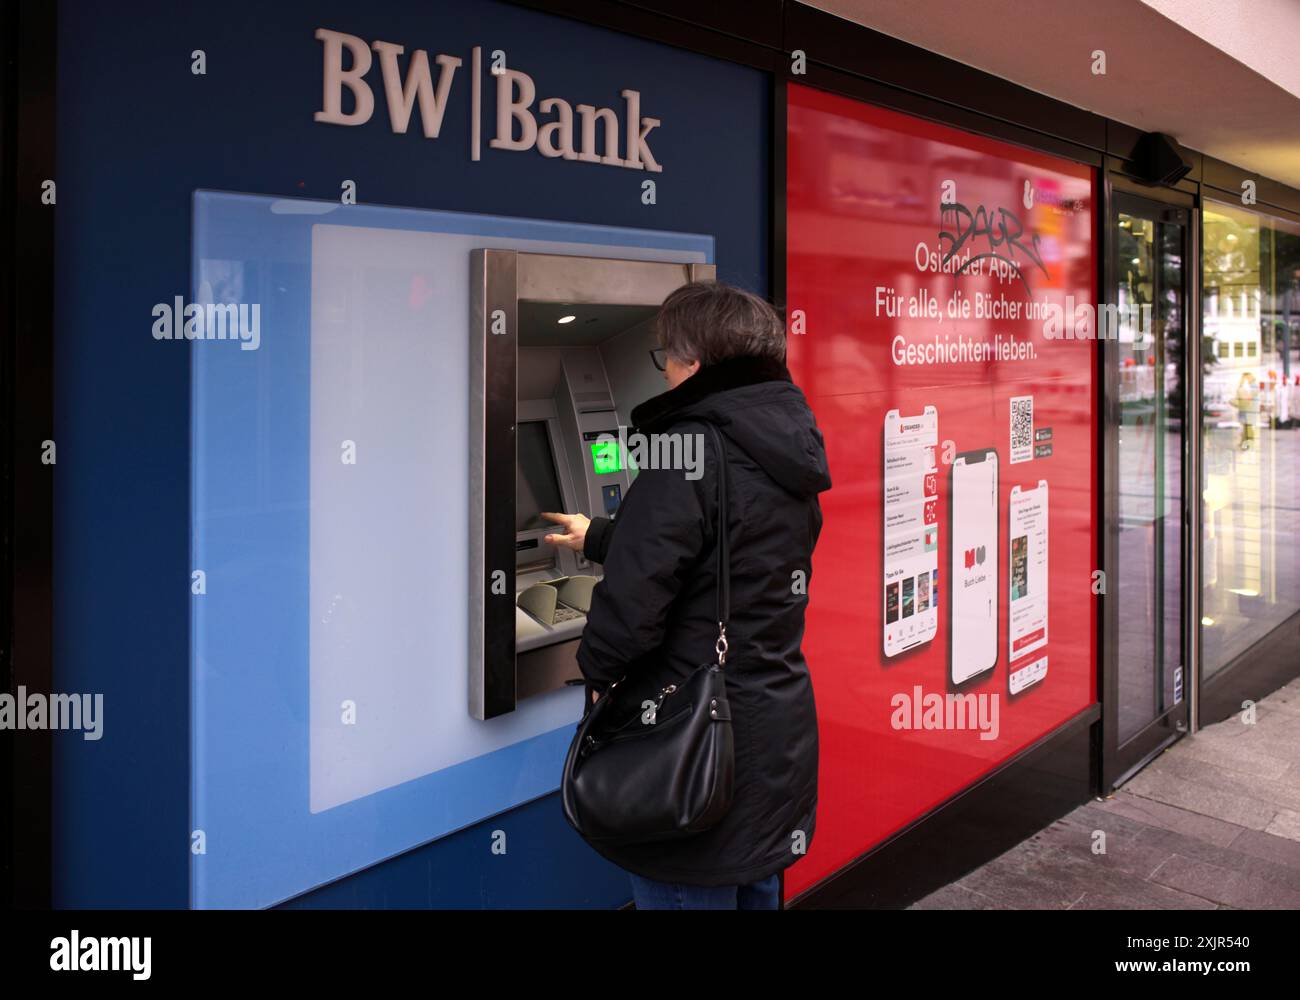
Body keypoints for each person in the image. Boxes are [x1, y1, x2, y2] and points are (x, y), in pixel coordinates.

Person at [541, 281, 831, 910]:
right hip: (770, 725)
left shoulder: (688, 450)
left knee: (684, 884)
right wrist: (602, 537)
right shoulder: (786, 442)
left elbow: (635, 606)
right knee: (753, 883)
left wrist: (597, 677)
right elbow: (724, 553)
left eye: (665, 357)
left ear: (694, 363)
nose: (664, 371)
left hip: (689, 734)